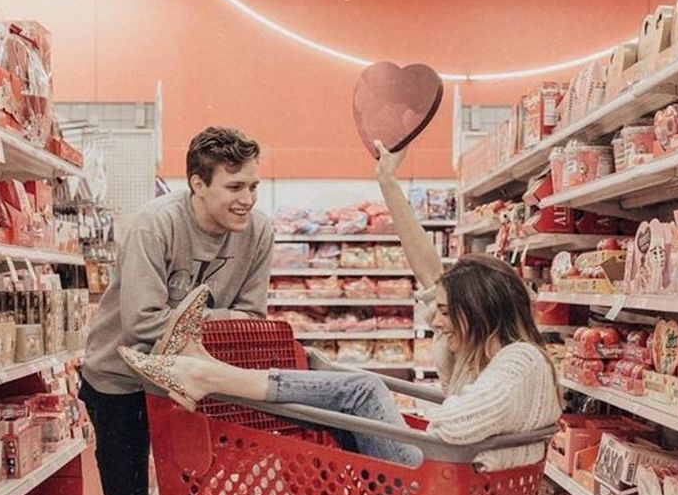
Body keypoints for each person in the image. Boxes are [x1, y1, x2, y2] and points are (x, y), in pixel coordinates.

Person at [115, 140, 562, 476]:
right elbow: (431, 275)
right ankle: (208, 369)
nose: (436, 320)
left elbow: (452, 429)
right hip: (453, 474)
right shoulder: (484, 346)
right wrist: (387, 182)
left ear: (480, 312)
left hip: (450, 482)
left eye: (446, 313)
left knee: (364, 391)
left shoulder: (518, 364)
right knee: (340, 388)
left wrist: (417, 412)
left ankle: (204, 373)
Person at [79, 127, 311, 495]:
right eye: (234, 186)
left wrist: (206, 330)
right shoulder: (155, 227)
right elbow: (142, 327)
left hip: (199, 378)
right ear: (196, 184)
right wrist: (218, 322)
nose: (247, 199)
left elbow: (251, 317)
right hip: (121, 381)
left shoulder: (257, 232)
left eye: (253, 185)